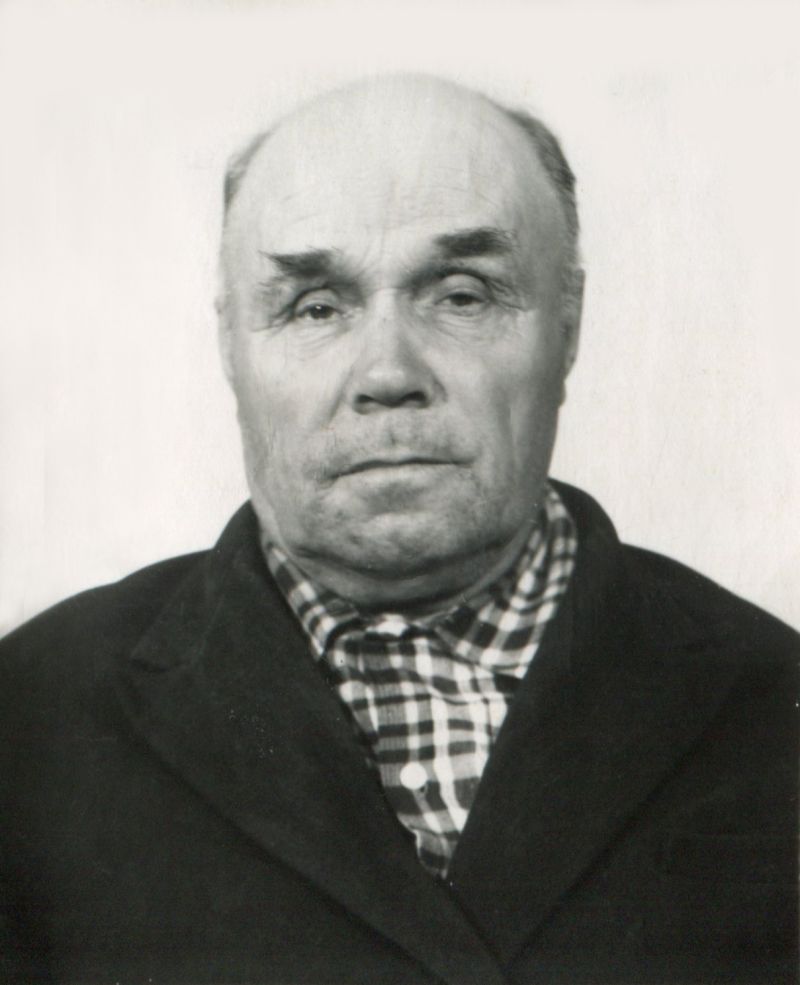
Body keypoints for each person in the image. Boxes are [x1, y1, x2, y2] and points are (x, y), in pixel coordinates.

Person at [0, 74, 797, 985]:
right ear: (230, 346)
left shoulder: (776, 708)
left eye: (462, 295)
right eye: (315, 306)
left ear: (569, 325)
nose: (387, 371)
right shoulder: (26, 727)